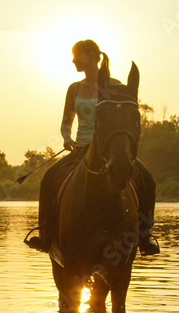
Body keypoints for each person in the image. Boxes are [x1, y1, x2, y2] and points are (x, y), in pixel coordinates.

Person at [26, 39, 159, 256]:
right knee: (49, 177)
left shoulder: (114, 85)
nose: (73, 60)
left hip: (111, 151)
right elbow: (66, 121)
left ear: (90, 55)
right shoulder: (74, 88)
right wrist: (66, 137)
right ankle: (45, 235)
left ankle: (144, 237)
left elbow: (125, 115)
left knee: (148, 180)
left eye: (76, 55)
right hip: (81, 149)